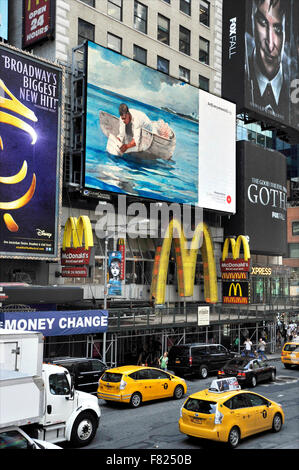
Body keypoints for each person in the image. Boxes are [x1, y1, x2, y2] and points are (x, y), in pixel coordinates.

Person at [246, 0, 290, 120]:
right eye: (262, 22)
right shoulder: (239, 78)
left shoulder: (293, 91)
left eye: (278, 29)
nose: (270, 45)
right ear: (251, 20)